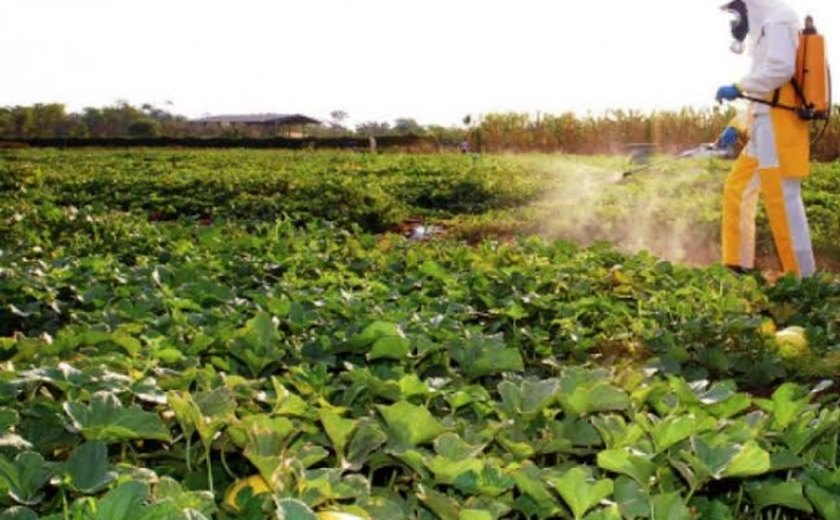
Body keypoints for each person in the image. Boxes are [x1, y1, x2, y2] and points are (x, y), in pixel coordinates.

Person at [715, 0, 815, 277]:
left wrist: (738, 87)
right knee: (737, 188)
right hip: (763, 123)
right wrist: (737, 125)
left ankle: (802, 278)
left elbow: (780, 70)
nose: (735, 21)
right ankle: (737, 264)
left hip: (779, 126)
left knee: (782, 198)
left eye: (736, 11)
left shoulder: (780, 20)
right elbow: (765, 90)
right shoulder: (765, 28)